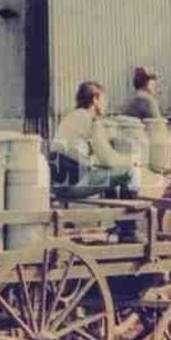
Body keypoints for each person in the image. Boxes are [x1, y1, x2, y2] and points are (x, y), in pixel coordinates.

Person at [49, 81, 139, 239]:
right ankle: (127, 231)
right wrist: (131, 160)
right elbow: (108, 159)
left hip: (57, 185)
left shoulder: (69, 118)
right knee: (129, 173)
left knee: (109, 174)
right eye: (104, 99)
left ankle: (115, 225)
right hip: (73, 185)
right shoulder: (92, 121)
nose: (105, 103)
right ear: (95, 99)